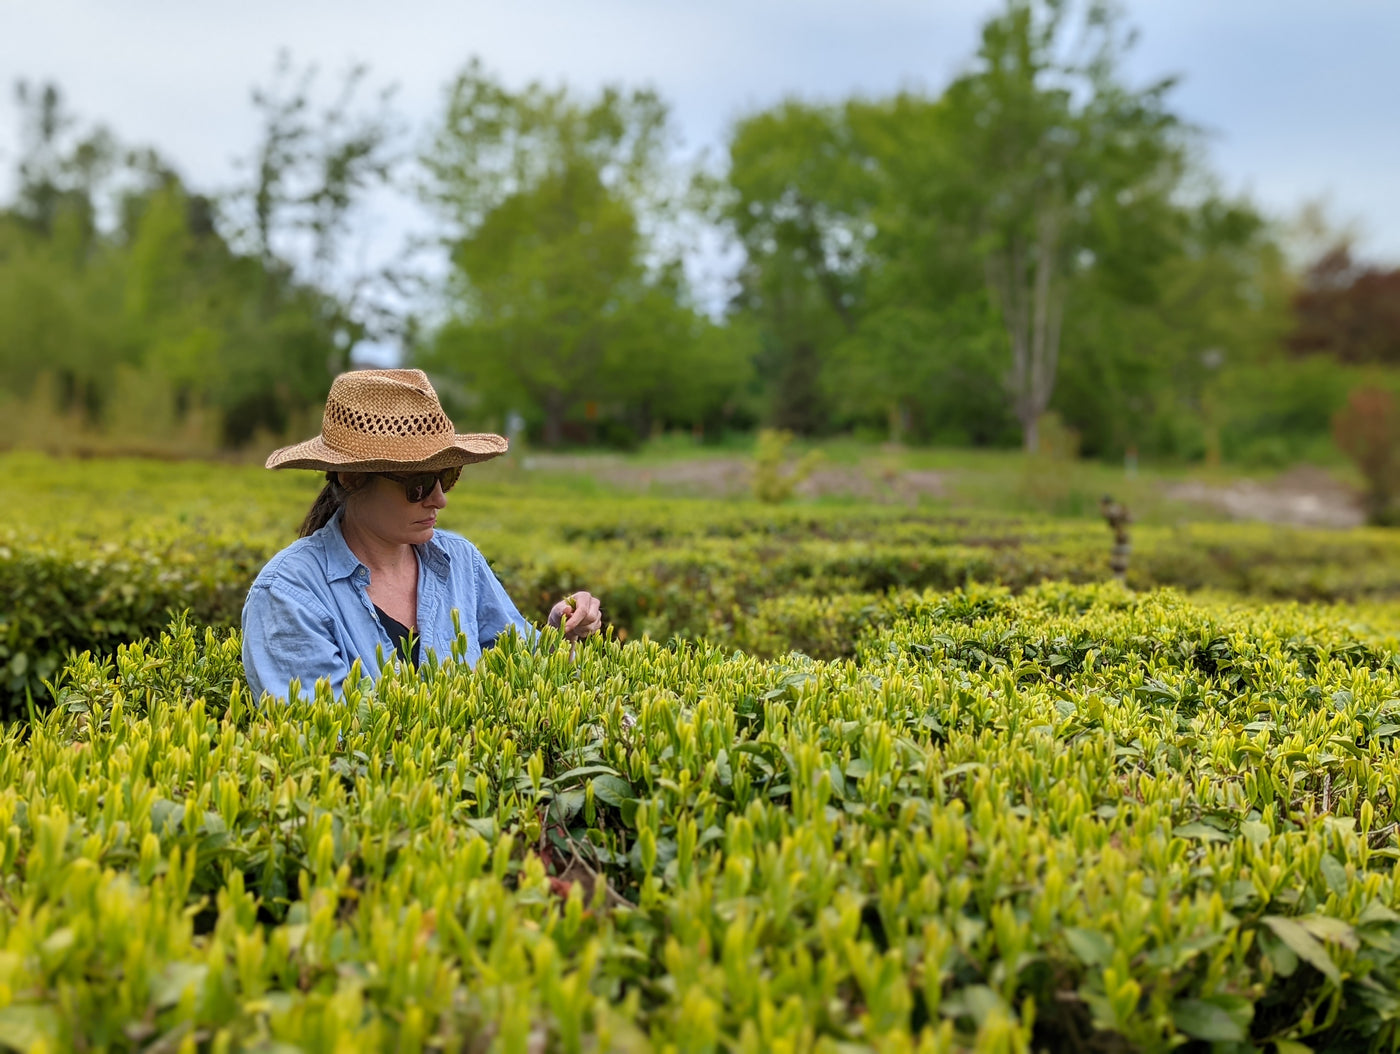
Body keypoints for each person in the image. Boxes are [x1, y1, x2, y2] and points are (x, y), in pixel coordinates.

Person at [241, 368, 602, 701]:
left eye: (446, 477)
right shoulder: (289, 593)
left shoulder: (459, 560)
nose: (440, 499)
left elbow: (523, 670)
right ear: (351, 478)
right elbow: (328, 738)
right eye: (419, 484)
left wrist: (557, 632)